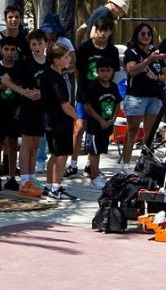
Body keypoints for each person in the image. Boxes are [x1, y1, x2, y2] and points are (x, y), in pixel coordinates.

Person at [72, 18, 121, 176]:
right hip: (86, 92)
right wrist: (83, 88)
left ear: (110, 31)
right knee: (79, 127)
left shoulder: (112, 50)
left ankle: (90, 164)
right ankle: (73, 163)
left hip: (103, 95)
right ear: (94, 30)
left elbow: (113, 72)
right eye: (100, 29)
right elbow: (78, 70)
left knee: (98, 130)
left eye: (106, 30)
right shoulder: (85, 48)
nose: (102, 33)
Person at [121, 23, 166, 171]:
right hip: (137, 96)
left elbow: (165, 74)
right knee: (133, 130)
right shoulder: (131, 52)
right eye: (143, 34)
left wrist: (157, 78)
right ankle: (126, 165)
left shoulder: (155, 52)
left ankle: (146, 164)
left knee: (150, 132)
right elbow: (132, 71)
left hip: (154, 96)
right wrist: (148, 60)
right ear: (137, 35)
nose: (146, 36)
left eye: (149, 34)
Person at [12, 28, 49, 195]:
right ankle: (24, 179)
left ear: (46, 44)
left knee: (36, 143)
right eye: (33, 44)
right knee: (26, 143)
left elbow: (55, 86)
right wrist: (24, 92)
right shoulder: (25, 63)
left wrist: (43, 93)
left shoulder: (50, 63)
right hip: (28, 107)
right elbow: (7, 80)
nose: (37, 46)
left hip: (43, 108)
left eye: (40, 43)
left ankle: (32, 177)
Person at [40, 42, 78, 200]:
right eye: (66, 57)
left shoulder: (51, 74)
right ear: (56, 60)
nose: (69, 59)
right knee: (62, 154)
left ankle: (49, 186)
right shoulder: (55, 78)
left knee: (55, 154)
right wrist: (77, 118)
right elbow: (64, 105)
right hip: (59, 121)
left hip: (50, 121)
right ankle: (56, 187)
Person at [0, 37, 22, 191]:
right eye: (6, 49)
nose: (9, 53)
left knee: (13, 144)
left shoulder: (19, 68)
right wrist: (3, 86)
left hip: (14, 111)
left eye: (12, 49)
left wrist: (20, 107)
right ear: (1, 50)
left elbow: (24, 89)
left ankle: (12, 177)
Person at [82, 62, 121, 188]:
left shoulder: (113, 86)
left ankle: (95, 171)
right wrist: (100, 120)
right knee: (94, 152)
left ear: (112, 72)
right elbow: (87, 106)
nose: (105, 73)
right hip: (94, 126)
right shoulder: (93, 86)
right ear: (97, 71)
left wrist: (113, 119)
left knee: (99, 150)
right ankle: (94, 177)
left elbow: (117, 103)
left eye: (108, 70)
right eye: (102, 70)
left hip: (107, 125)